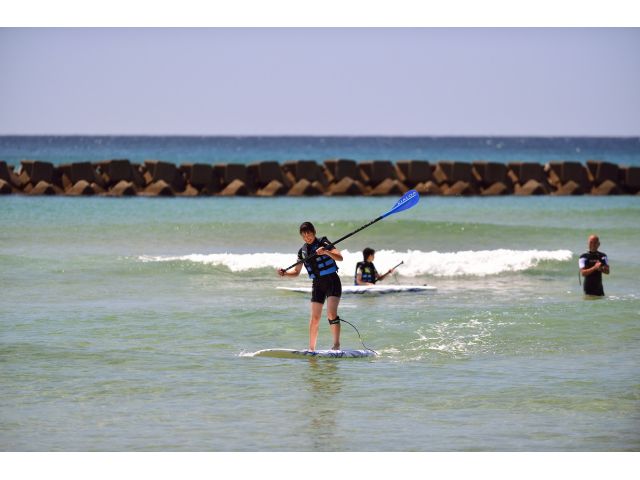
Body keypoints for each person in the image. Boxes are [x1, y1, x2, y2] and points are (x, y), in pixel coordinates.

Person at [277, 222, 344, 351]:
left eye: (309, 234)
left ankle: (336, 345)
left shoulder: (323, 242)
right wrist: (285, 273)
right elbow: (296, 272)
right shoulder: (302, 252)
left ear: (314, 232)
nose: (307, 237)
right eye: (304, 235)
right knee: (314, 318)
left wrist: (326, 252)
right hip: (317, 284)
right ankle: (311, 349)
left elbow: (340, 257)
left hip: (332, 281)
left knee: (331, 314)